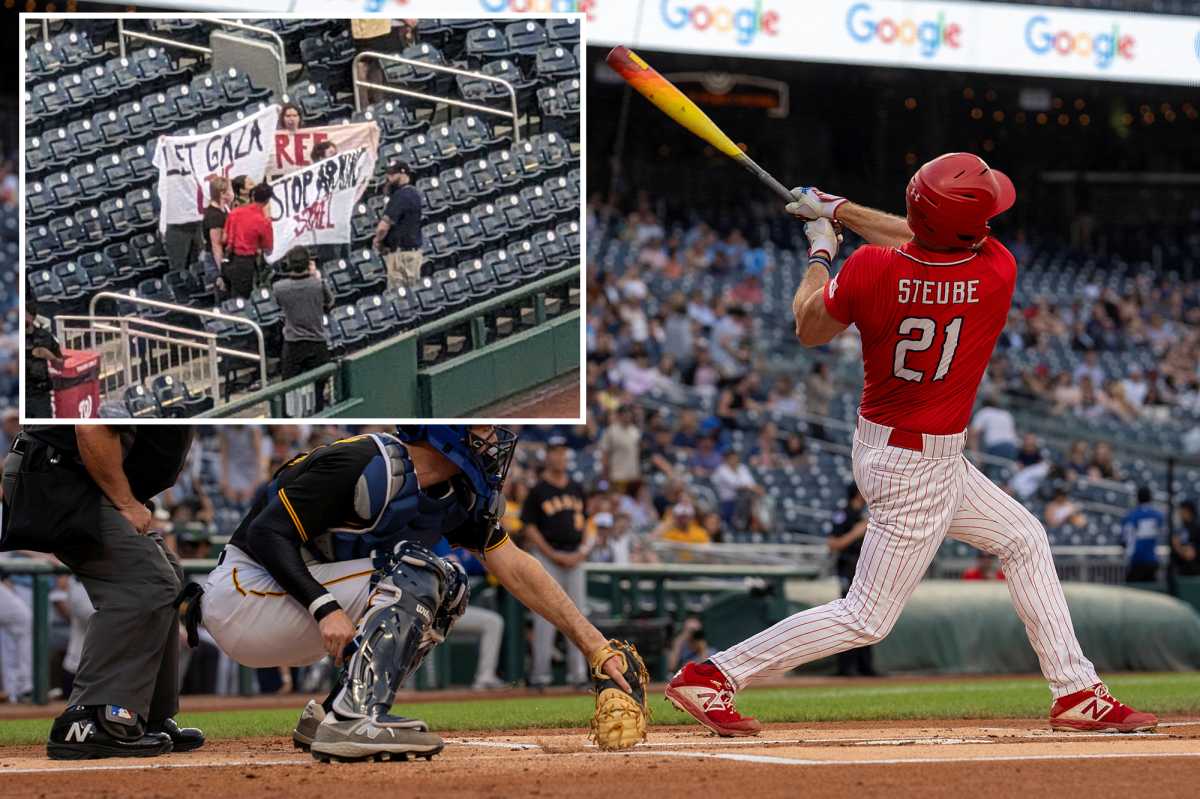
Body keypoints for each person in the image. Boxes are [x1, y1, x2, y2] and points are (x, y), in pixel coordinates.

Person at [666, 152, 1155, 736]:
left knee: (1025, 538)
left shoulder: (871, 269)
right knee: (866, 617)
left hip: (901, 450)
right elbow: (929, 235)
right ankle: (714, 674)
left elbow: (808, 325)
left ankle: (1076, 691)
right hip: (916, 469)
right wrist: (839, 208)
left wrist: (823, 246)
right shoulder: (998, 270)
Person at [180, 426, 632, 761]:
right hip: (244, 594)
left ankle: (338, 711)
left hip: (289, 608)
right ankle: (355, 716)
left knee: (451, 586)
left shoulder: (452, 494)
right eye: (481, 428)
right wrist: (325, 608)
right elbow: (265, 534)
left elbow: (514, 565)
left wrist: (594, 644)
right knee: (424, 569)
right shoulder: (363, 462)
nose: (493, 438)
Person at [1, 425, 203, 758]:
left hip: (72, 475)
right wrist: (125, 502)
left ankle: (143, 716)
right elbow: (92, 427)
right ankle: (91, 716)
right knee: (145, 581)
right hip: (58, 475)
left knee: (166, 574)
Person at [519, 436, 590, 688]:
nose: (559, 456)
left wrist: (582, 550)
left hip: (574, 557)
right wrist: (551, 553)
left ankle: (578, 675)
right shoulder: (538, 490)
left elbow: (586, 521)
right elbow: (529, 527)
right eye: (555, 452)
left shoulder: (576, 487)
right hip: (548, 558)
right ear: (547, 456)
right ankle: (540, 676)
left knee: (578, 617)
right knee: (545, 618)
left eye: (562, 452)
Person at [274, 246, 334, 414]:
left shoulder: (279, 287)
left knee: (287, 389)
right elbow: (330, 303)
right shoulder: (318, 284)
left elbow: (278, 304)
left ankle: (287, 417)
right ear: (309, 263)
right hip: (317, 343)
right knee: (319, 391)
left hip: (293, 344)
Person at [826, 483, 876, 677]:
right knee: (849, 615)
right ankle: (846, 668)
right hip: (848, 567)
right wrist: (856, 532)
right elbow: (832, 543)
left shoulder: (866, 514)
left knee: (869, 615)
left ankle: (866, 666)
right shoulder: (844, 513)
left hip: (863, 567)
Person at [373, 161, 423, 289]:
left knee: (400, 298)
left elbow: (383, 227)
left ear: (403, 174)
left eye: (392, 174)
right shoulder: (414, 193)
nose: (388, 178)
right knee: (412, 294)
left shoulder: (401, 196)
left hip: (401, 256)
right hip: (412, 253)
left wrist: (378, 241)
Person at [223, 183, 275, 298]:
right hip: (246, 263)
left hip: (228, 259)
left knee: (232, 298)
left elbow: (224, 238)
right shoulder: (263, 222)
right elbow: (268, 247)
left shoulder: (235, 213)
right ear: (267, 201)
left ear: (253, 196)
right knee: (244, 298)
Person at [24, 305, 63, 419]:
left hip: (40, 396)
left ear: (32, 317)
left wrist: (50, 357)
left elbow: (61, 365)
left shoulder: (45, 336)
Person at [1121, 486, 1164, 583]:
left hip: (1137, 560)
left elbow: (1124, 539)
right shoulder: (1158, 515)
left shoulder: (1131, 515)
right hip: (1152, 560)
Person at [202, 177, 232, 280]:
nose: (232, 193)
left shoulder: (225, 209)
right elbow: (216, 246)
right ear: (222, 193)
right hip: (216, 261)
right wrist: (222, 273)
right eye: (230, 189)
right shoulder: (214, 216)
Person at [1169, 500, 1200, 595]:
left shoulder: (1195, 528)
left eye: (1181, 511)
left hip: (1193, 576)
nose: (1179, 514)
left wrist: (1177, 546)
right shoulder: (1181, 529)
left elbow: (1190, 554)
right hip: (1181, 574)